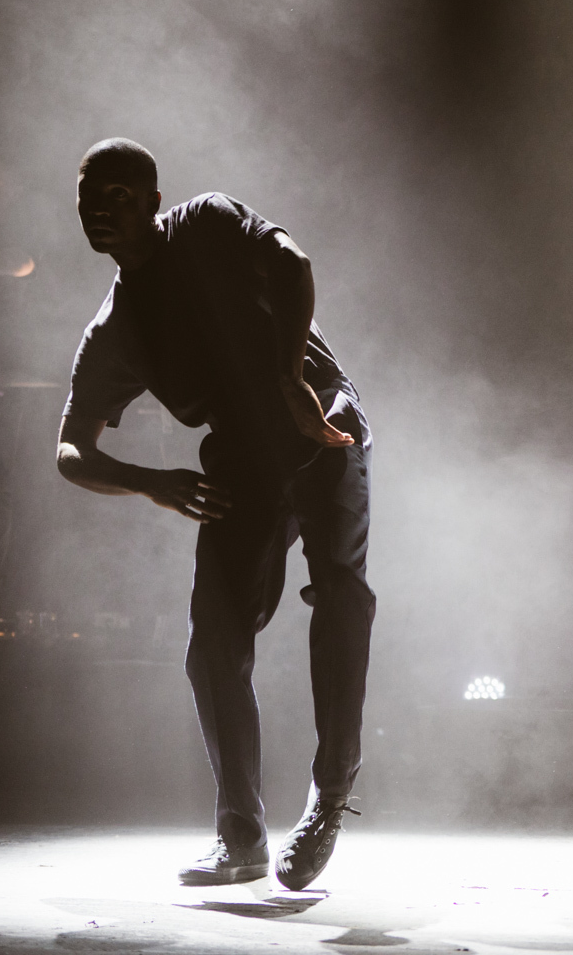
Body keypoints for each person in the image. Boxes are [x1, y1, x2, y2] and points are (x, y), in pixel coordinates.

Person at [57, 139, 374, 890]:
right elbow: (70, 450)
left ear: (154, 199)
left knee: (340, 594)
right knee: (213, 645)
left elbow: (294, 264)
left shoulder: (207, 221)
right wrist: (150, 482)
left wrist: (293, 372)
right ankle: (241, 837)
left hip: (318, 422)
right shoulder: (116, 327)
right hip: (242, 460)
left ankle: (330, 797)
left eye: (120, 195)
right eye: (89, 200)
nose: (103, 211)